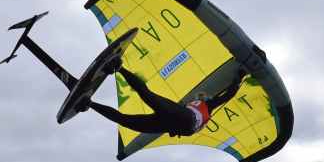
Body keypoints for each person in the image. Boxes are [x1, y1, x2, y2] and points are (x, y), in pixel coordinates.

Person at [80, 61, 245, 137]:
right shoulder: (189, 105)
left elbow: (227, 95)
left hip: (184, 120)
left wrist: (239, 77)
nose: (200, 97)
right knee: (126, 118)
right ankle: (91, 101)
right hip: (171, 121)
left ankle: (116, 70)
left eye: (202, 96)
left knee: (143, 100)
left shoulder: (208, 105)